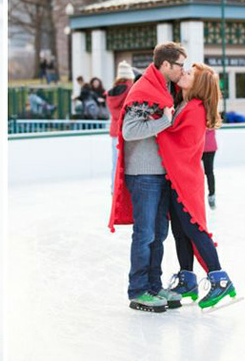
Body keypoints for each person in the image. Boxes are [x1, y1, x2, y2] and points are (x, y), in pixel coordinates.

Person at [108, 42, 186, 313]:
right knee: (145, 234)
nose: (182, 70)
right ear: (166, 65)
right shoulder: (143, 90)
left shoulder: (165, 88)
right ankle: (138, 289)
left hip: (161, 172)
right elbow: (129, 131)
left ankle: (154, 285)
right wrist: (164, 121)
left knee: (159, 234)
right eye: (179, 65)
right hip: (143, 173)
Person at [162, 63, 237, 309]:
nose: (183, 73)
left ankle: (219, 278)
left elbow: (177, 141)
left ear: (199, 85)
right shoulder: (184, 103)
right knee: (180, 231)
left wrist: (155, 126)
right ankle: (187, 279)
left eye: (189, 74)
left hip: (186, 179)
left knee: (194, 229)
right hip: (177, 178)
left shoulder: (195, 109)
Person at [105, 61, 134, 194]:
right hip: (126, 130)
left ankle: (114, 188)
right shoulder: (131, 89)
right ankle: (124, 189)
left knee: (115, 163)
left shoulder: (112, 92)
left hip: (114, 132)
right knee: (128, 163)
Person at [203, 128, 217, 209]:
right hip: (211, 145)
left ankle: (211, 195)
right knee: (209, 172)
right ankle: (212, 195)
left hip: (200, 145)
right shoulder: (213, 115)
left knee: (206, 172)